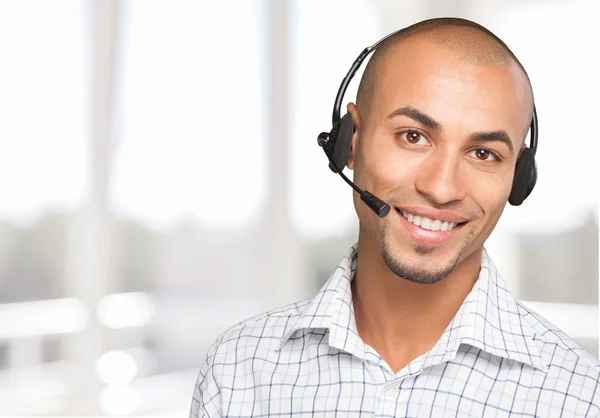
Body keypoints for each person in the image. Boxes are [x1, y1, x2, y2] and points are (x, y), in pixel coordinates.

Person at [189, 17, 600, 417]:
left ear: (518, 177)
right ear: (349, 142)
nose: (441, 188)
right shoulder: (236, 370)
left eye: (483, 153)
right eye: (413, 136)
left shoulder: (580, 397)